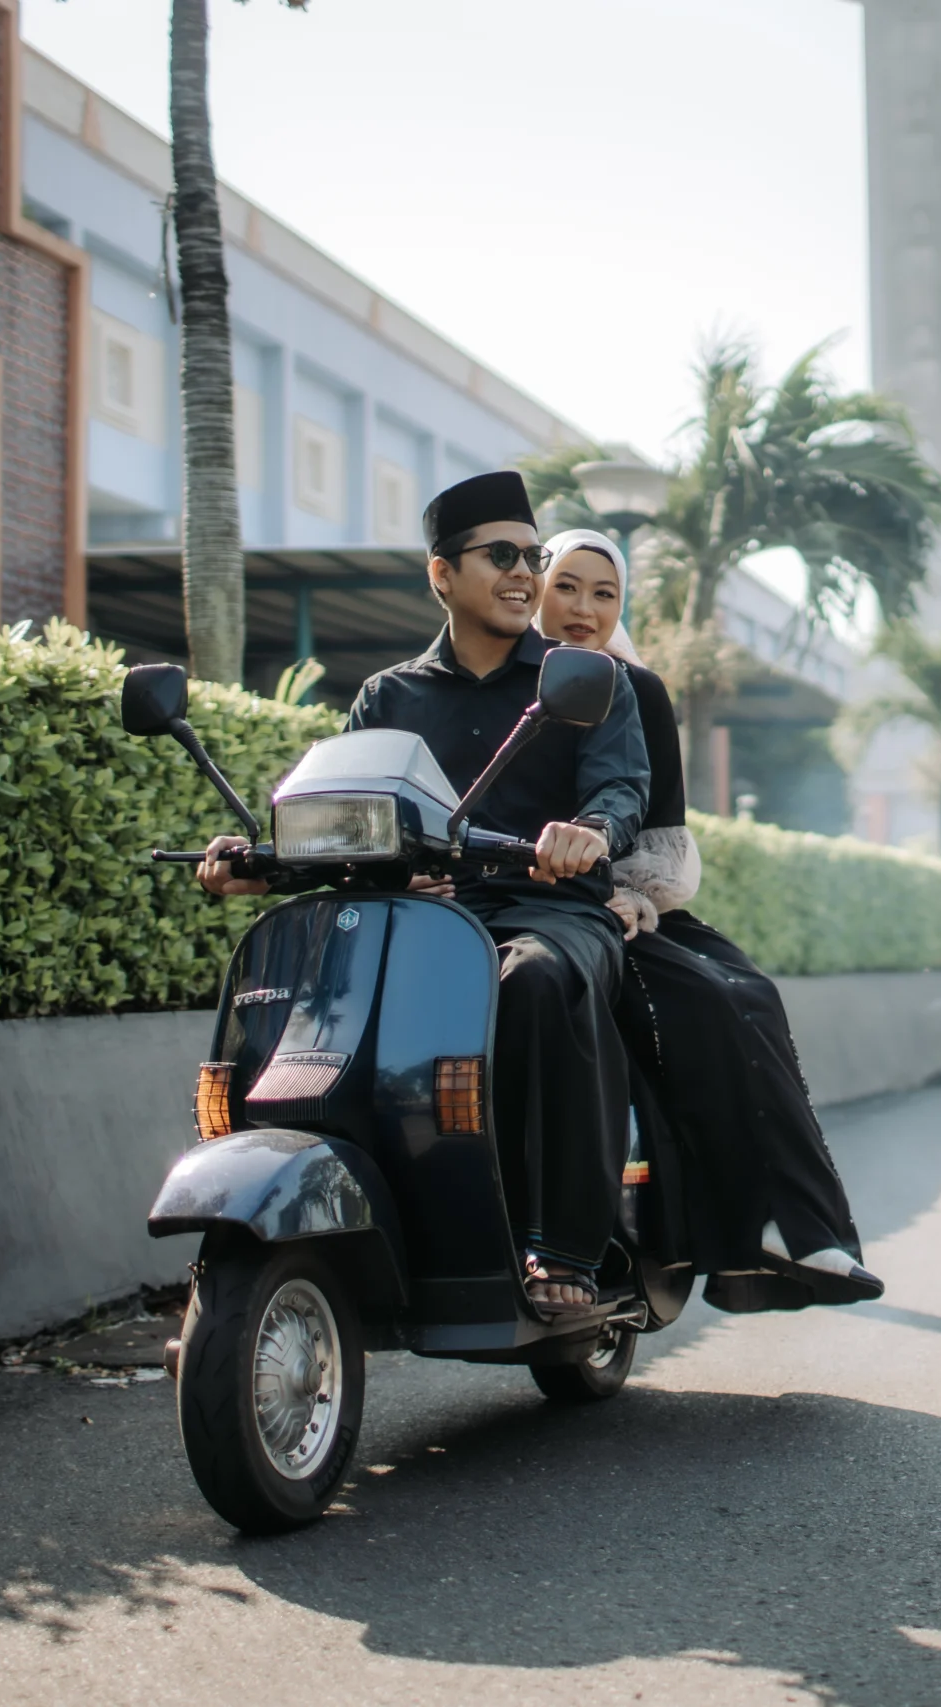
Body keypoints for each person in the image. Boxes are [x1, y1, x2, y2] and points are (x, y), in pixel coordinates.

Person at [198, 472, 649, 1320]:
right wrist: (259, 858)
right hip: (432, 918)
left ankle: (560, 1241)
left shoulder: (583, 680)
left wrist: (586, 831)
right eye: (502, 555)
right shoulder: (388, 696)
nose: (524, 573)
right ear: (442, 575)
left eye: (532, 556)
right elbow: (345, 810)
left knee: (535, 981)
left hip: (548, 912)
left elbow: (621, 792)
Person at [535, 527, 883, 1311]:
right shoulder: (494, 685)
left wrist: (636, 896)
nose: (584, 609)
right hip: (522, 908)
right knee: (691, 1002)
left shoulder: (637, 688)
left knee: (742, 991)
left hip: (621, 903)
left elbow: (653, 828)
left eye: (605, 593)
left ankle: (787, 1226)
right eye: (567, 586)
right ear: (535, 588)